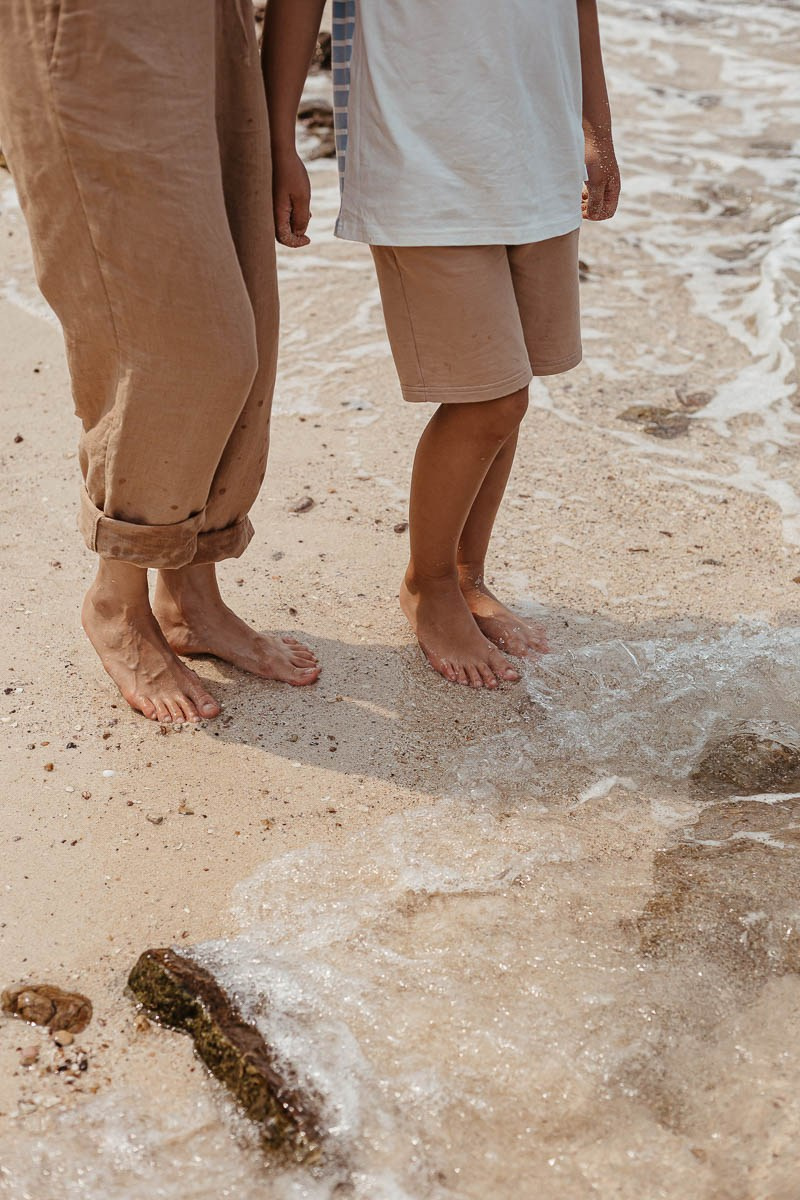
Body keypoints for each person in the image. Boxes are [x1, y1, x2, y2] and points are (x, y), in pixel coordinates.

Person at [263, 0, 620, 689]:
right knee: (489, 398)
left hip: (538, 138)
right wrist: (280, 140)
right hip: (421, 153)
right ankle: (428, 587)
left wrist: (595, 125)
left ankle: (464, 573)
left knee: (512, 387)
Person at [0, 0, 320, 724]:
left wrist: (279, 130)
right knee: (186, 347)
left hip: (215, 22)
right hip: (92, 26)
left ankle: (190, 594)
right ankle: (116, 600)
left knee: (250, 332)